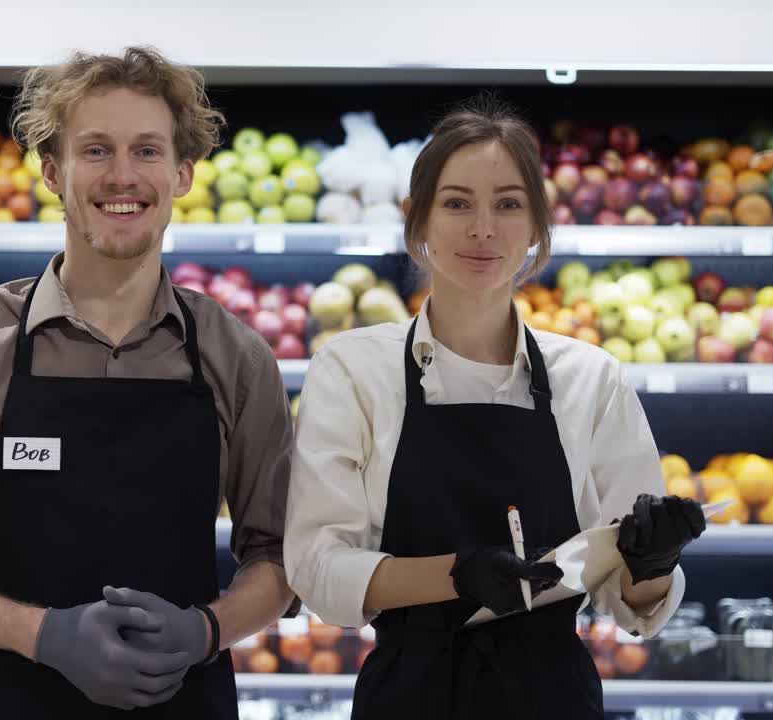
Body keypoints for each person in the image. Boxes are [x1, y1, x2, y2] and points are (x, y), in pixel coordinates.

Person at [0, 46, 297, 718]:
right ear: (53, 172)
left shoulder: (236, 358)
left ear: (182, 173)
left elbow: (282, 556)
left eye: (147, 151)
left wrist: (207, 631)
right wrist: (40, 634)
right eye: (96, 150)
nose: (123, 175)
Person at [284, 95, 706, 719]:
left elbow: (631, 603)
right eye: (456, 203)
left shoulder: (592, 380)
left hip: (553, 697)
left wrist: (656, 561)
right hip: (411, 696)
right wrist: (456, 574)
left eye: (508, 204)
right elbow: (318, 568)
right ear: (417, 221)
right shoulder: (352, 370)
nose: (483, 228)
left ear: (536, 225)